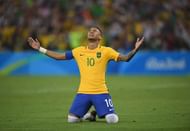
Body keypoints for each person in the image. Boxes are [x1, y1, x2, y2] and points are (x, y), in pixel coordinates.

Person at [28, 26, 144, 124]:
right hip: (83, 92)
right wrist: (40, 49)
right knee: (71, 120)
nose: (91, 31)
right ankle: (90, 115)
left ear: (100, 37)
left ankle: (98, 111)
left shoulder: (106, 51)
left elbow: (126, 58)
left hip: (100, 92)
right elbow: (59, 57)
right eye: (90, 30)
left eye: (95, 30)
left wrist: (135, 50)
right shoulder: (79, 51)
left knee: (112, 119)